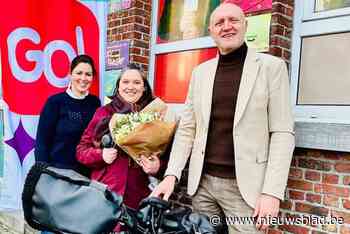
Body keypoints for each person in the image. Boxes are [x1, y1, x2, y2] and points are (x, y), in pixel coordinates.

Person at [151, 2, 295, 233]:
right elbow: (188, 128)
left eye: (233, 20)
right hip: (202, 186)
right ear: (211, 31)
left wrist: (272, 192)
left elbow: (282, 132)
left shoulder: (272, 68)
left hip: (246, 190)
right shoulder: (200, 73)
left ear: (245, 25)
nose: (227, 26)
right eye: (219, 22)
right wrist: (171, 175)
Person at [76, 63, 171, 212]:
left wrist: (158, 166)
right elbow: (81, 151)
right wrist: (101, 155)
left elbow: (168, 156)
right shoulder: (104, 113)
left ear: (144, 87)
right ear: (118, 86)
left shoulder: (156, 116)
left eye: (137, 82)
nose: (130, 87)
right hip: (105, 195)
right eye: (125, 82)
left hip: (139, 198)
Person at [35, 54, 101, 177]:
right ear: (70, 74)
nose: (83, 78)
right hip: (58, 173)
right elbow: (42, 142)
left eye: (88, 74)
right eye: (79, 73)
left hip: (87, 174)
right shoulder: (55, 102)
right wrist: (42, 173)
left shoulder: (95, 103)